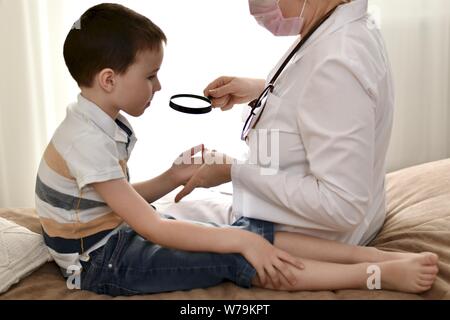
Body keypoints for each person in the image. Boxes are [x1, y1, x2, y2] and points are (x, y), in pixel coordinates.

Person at [35, 2, 437, 296]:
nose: (158, 86)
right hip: (101, 262)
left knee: (248, 234)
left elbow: (116, 205)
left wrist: (193, 176)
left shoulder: (91, 121)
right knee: (245, 251)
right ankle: (373, 274)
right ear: (108, 80)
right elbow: (145, 221)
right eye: (152, 76)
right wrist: (241, 241)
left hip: (115, 239)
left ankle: (381, 260)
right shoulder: (90, 138)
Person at [174, 0, 440, 292]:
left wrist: (232, 171)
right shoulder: (341, 26)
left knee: (170, 235)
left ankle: (374, 268)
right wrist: (261, 91)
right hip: (325, 219)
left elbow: (343, 205)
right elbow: (324, 104)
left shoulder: (337, 63)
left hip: (317, 238)